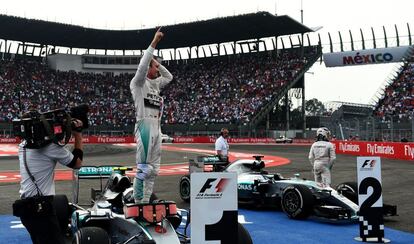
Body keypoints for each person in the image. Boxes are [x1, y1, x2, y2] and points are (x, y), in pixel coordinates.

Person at [14, 113, 84, 244]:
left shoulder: (22, 145)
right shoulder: (50, 148)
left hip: (27, 208)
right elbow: (77, 163)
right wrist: (78, 135)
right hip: (41, 209)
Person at [130, 27, 173, 203]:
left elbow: (169, 77)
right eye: (155, 66)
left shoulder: (156, 85)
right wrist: (154, 43)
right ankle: (137, 200)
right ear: (148, 68)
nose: (158, 69)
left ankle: (146, 201)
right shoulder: (139, 83)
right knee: (144, 168)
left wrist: (157, 63)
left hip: (157, 128)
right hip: (145, 126)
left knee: (154, 169)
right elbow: (142, 66)